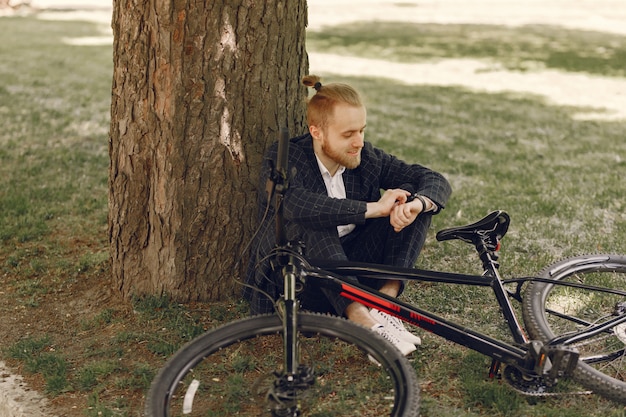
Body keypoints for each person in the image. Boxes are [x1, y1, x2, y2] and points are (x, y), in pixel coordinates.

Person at [244, 75, 452, 355]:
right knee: (316, 220)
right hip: (301, 279)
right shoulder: (286, 157)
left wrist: (416, 204)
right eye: (348, 134)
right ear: (317, 132)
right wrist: (374, 208)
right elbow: (296, 205)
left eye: (361, 131)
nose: (359, 143)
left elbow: (430, 178)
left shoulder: (365, 157)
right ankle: (364, 326)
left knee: (411, 203)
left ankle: (385, 307)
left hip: (352, 270)